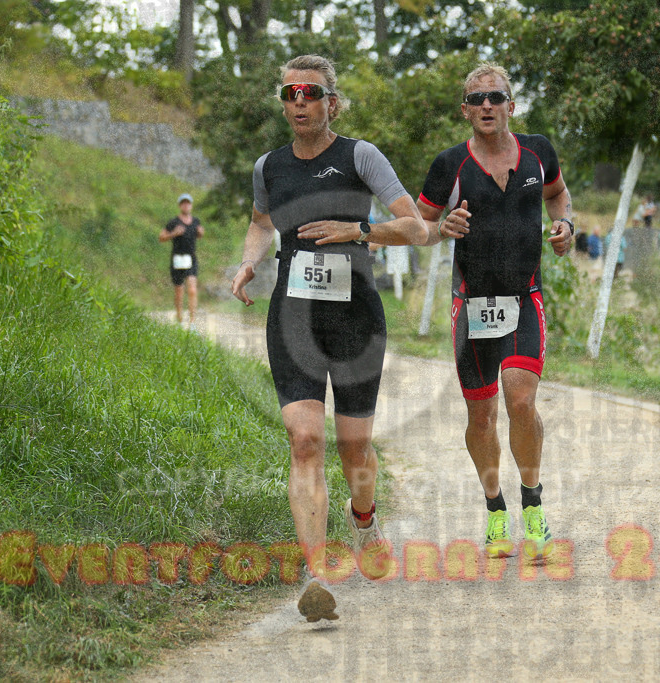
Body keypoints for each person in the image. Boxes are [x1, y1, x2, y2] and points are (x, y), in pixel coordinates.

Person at [231, 55, 427, 621]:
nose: (299, 101)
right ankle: (316, 574)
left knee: (353, 447)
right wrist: (248, 263)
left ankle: (363, 520)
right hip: (293, 314)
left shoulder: (359, 156)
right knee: (304, 440)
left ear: (331, 102)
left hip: (355, 317)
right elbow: (261, 222)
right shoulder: (268, 166)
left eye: (311, 93)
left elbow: (415, 226)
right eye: (290, 92)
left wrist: (357, 230)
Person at [416, 63, 573, 561]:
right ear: (465, 110)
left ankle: (533, 504)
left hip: (525, 298)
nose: (486, 105)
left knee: (521, 401)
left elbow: (558, 194)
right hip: (474, 304)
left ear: (511, 105)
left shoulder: (538, 152)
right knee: (480, 416)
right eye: (476, 99)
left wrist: (564, 224)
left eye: (495, 97)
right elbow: (418, 223)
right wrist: (442, 227)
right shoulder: (450, 165)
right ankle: (495, 510)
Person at [159, 194, 204, 327]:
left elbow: (200, 234)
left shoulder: (196, 221)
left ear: (191, 205)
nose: (186, 205)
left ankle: (192, 322)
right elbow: (161, 237)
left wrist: (200, 233)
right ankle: (179, 317)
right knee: (179, 291)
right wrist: (173, 234)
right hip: (177, 259)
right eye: (183, 203)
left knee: (192, 289)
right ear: (180, 206)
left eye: (188, 203)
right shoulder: (174, 222)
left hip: (191, 258)